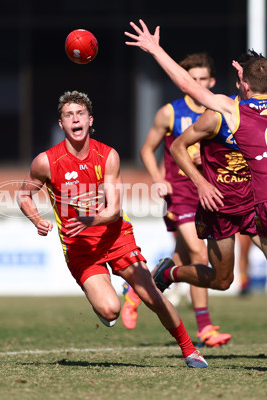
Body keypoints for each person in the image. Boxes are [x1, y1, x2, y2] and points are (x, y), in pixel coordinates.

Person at [124, 20, 267, 372]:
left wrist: (154, 51)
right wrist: (200, 182)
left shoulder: (253, 110)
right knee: (223, 279)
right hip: (224, 204)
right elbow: (180, 145)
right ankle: (169, 274)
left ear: (242, 81)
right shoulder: (249, 112)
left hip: (262, 198)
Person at [17, 90, 208, 368]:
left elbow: (114, 210)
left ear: (90, 120)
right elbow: (24, 195)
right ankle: (106, 297)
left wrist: (87, 220)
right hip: (80, 249)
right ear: (61, 124)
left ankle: (190, 350)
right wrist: (37, 219)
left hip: (116, 237)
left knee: (150, 296)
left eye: (80, 114)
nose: (75, 120)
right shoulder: (46, 161)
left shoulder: (107, 156)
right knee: (109, 310)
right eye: (68, 115)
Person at [121, 52, 231, 348]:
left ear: (212, 81)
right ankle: (205, 327)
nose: (197, 83)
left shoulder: (221, 112)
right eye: (192, 79)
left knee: (183, 258)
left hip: (209, 194)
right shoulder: (170, 112)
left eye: (203, 79)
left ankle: (136, 291)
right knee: (199, 255)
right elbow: (147, 149)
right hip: (179, 194)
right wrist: (158, 179)